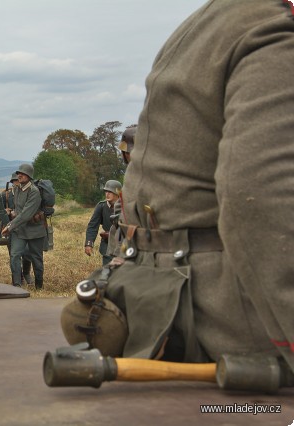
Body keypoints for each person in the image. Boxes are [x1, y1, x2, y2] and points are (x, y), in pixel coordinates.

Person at [70, 0, 294, 373]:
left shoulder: (212, 22)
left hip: (161, 298)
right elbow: (259, 199)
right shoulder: (273, 32)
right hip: (229, 320)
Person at [1, 164, 46, 289]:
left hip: (35, 231)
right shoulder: (17, 189)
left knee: (36, 258)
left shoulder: (34, 192)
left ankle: (39, 285)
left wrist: (10, 226)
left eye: (23, 173)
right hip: (20, 230)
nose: (19, 175)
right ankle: (16, 284)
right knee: (14, 255)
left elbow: (26, 214)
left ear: (29, 176)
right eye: (18, 173)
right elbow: (18, 210)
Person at [3, 172, 34, 285]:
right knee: (14, 255)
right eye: (15, 181)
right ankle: (17, 279)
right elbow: (0, 212)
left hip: (25, 226)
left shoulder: (28, 192)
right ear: (12, 182)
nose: (17, 183)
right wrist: (6, 212)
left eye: (18, 181)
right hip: (11, 228)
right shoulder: (6, 195)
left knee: (27, 253)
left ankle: (26, 273)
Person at [84, 180, 122, 266]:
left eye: (110, 191)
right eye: (106, 191)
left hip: (124, 245)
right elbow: (93, 226)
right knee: (108, 272)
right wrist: (89, 244)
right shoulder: (101, 206)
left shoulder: (126, 206)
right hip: (107, 245)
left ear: (117, 193)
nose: (107, 194)